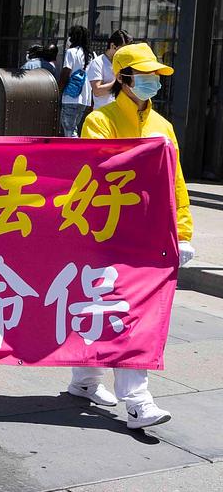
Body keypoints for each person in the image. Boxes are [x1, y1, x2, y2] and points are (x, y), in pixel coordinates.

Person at [65, 42, 193, 430]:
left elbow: (178, 186)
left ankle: (128, 396)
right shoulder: (99, 121)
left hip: (147, 237)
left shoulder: (163, 127)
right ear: (124, 78)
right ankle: (94, 382)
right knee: (104, 306)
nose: (153, 81)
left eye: (156, 75)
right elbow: (94, 172)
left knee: (128, 312)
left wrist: (183, 233)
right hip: (105, 233)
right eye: (146, 74)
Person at [58, 25, 94, 137]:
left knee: (69, 130)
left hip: (70, 97)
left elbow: (65, 73)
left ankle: (74, 154)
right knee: (75, 128)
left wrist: (59, 90)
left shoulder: (71, 52)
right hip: (85, 98)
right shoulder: (92, 55)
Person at [87, 29, 132, 109]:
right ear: (112, 46)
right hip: (103, 113)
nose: (125, 53)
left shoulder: (123, 64)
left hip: (120, 112)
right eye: (122, 50)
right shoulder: (98, 62)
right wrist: (118, 82)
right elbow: (97, 91)